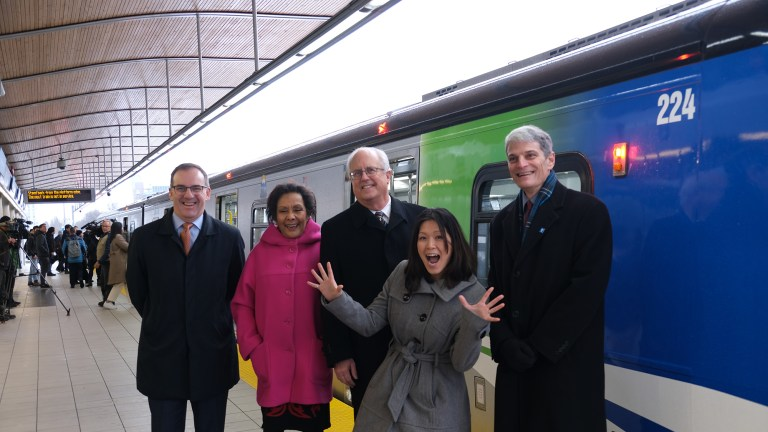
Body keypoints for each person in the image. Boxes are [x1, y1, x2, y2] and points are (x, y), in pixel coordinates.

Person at [309, 208, 505, 431]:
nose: (430, 245)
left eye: (439, 237)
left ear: (455, 242)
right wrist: (337, 298)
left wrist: (474, 325)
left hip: (438, 400)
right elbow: (369, 322)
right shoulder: (402, 273)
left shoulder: (474, 295)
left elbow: (461, 363)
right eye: (423, 238)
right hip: (389, 385)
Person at [487, 125, 613, 432]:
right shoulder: (502, 222)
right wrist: (504, 342)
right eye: (513, 158)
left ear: (550, 159)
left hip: (563, 367)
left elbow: (586, 291)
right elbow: (495, 289)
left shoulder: (588, 212)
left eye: (530, 155)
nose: (521, 164)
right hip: (515, 367)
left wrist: (538, 347)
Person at [127, 162, 245, 432]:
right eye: (180, 188)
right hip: (163, 356)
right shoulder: (145, 239)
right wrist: (165, 320)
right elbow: (138, 293)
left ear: (208, 192)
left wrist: (212, 323)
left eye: (196, 188)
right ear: (170, 192)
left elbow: (235, 291)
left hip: (212, 356)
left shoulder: (228, 238)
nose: (188, 195)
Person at [319, 147, 424, 416]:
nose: (364, 177)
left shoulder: (421, 219)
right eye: (356, 173)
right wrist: (340, 355)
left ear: (388, 175)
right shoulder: (335, 230)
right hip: (364, 352)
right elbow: (330, 295)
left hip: (418, 349)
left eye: (371, 170)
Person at [231, 183, 332, 432]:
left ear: (308, 212)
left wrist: (330, 347)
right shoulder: (260, 254)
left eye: (297, 209)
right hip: (271, 363)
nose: (291, 217)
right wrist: (254, 348)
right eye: (283, 210)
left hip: (313, 362)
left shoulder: (325, 248)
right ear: (274, 216)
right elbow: (242, 304)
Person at [104, 223, 129, 307]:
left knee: (125, 283)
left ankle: (133, 302)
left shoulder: (113, 236)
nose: (122, 229)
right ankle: (109, 302)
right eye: (121, 227)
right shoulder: (118, 237)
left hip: (117, 263)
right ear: (119, 228)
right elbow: (127, 247)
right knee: (119, 283)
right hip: (120, 263)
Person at [94, 219, 112, 303]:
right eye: (103, 226)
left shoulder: (109, 236)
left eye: (107, 226)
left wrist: (99, 261)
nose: (105, 228)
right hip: (103, 263)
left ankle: (108, 301)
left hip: (107, 263)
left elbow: (108, 251)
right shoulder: (103, 235)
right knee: (103, 283)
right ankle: (105, 300)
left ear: (110, 227)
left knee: (107, 283)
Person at [35, 223, 52, 287]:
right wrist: (46, 251)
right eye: (43, 227)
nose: (45, 228)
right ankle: (42, 283)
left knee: (44, 270)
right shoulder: (40, 235)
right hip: (43, 255)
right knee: (43, 270)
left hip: (42, 255)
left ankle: (43, 283)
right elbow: (40, 246)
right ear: (40, 228)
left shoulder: (41, 235)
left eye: (45, 227)